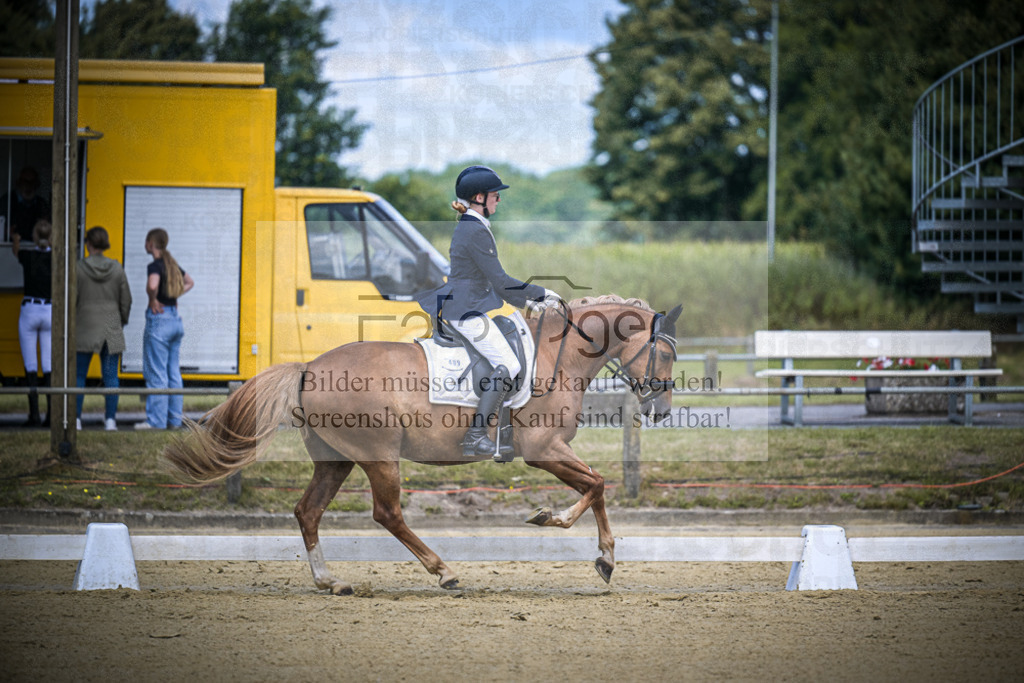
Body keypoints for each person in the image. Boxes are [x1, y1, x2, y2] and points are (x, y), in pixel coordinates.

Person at [419, 165, 561, 457]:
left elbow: (492, 283)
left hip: (470, 303)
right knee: (509, 365)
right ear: (480, 197)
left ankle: (504, 433)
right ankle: (475, 436)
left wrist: (529, 302)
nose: (499, 199)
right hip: (466, 310)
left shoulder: (473, 226)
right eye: (496, 195)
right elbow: (500, 281)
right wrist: (541, 293)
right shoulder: (474, 230)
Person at [135, 228, 193, 430]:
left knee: (157, 374)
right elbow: (189, 282)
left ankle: (156, 422)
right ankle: (174, 421)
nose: (145, 244)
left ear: (151, 243)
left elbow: (152, 285)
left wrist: (154, 299)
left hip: (160, 321)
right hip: (175, 321)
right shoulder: (172, 264)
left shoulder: (155, 265)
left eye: (146, 240)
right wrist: (174, 296)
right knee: (173, 373)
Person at [76, 226, 132, 431]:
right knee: (110, 375)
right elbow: (126, 300)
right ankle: (110, 420)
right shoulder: (117, 268)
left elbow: (72, 298)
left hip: (84, 322)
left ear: (88, 244)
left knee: (79, 375)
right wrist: (121, 320)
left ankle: (76, 420)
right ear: (105, 243)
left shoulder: (79, 268)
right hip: (112, 323)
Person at [13, 219, 53, 427]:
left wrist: (16, 239)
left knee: (31, 365)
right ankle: (50, 416)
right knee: (48, 365)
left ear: (35, 237)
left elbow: (16, 250)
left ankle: (34, 415)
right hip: (49, 310)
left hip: (30, 309)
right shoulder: (56, 259)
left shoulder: (27, 256)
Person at [2, 166, 50, 243]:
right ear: (18, 183)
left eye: (32, 182)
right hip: (10, 249)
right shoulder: (6, 202)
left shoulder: (42, 204)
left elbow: (47, 230)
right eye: (25, 182)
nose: (28, 186)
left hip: (36, 250)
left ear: (37, 184)